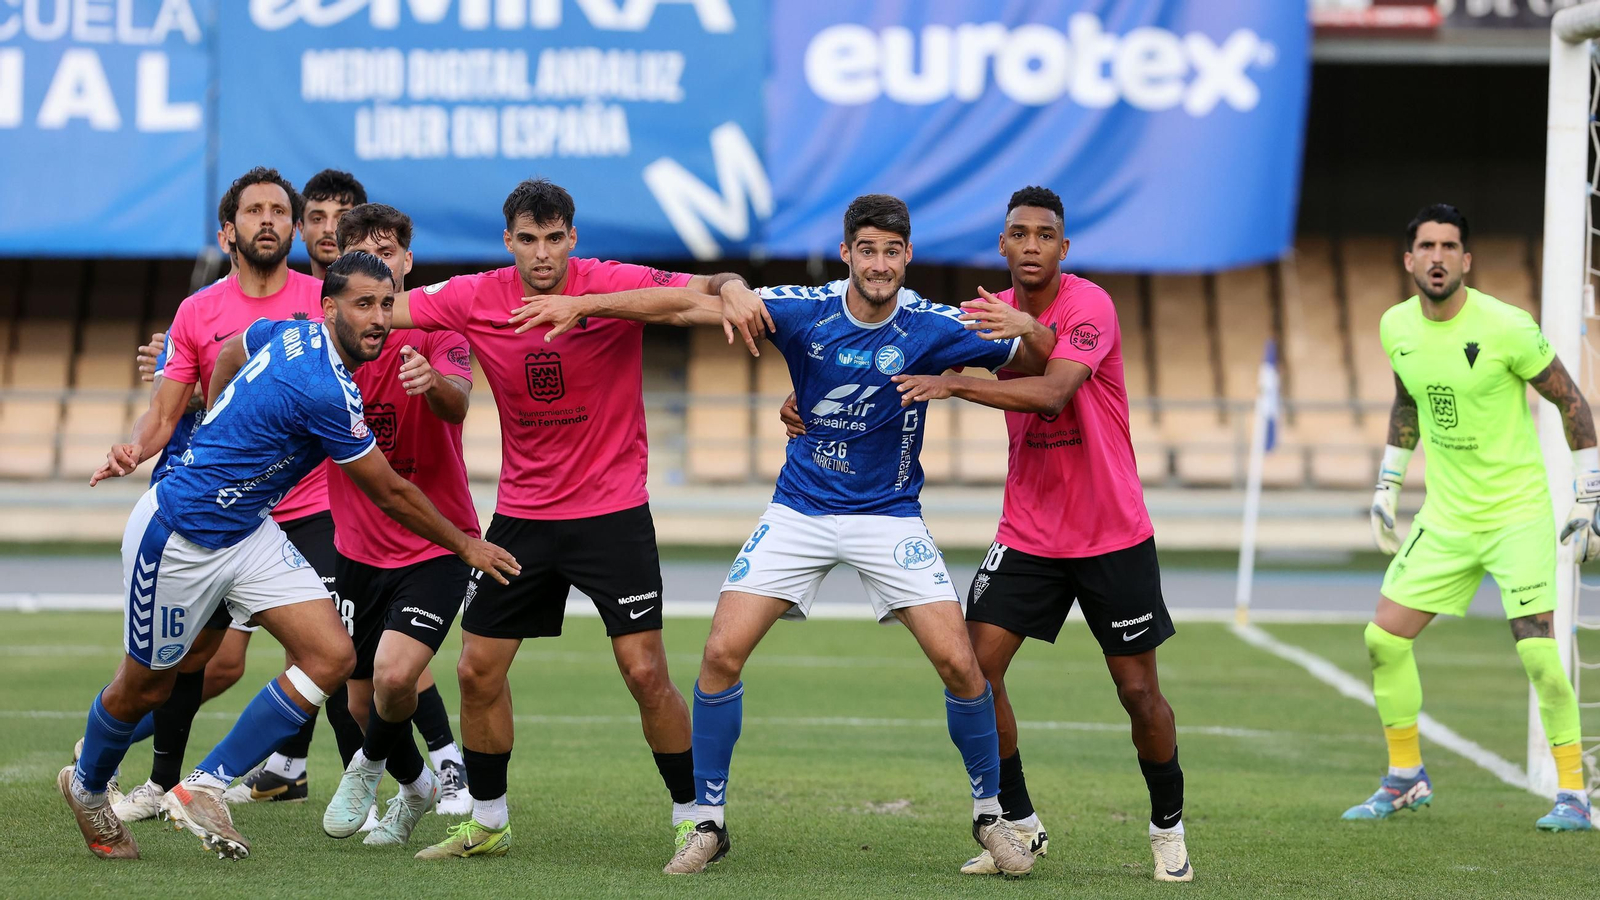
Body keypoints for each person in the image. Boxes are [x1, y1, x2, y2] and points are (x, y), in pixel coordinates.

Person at [513, 194, 1057, 877]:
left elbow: (1039, 355)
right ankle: (706, 824)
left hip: (888, 516)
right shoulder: (805, 309)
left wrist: (1026, 327)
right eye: (867, 250)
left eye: (892, 251)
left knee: (961, 665)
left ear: (908, 256)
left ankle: (990, 816)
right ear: (847, 255)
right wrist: (584, 305)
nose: (880, 264)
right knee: (719, 653)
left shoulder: (935, 324)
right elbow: (688, 306)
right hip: (798, 511)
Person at [61, 252, 519, 860]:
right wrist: (467, 544)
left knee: (332, 655)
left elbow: (231, 350)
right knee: (145, 688)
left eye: (386, 304)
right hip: (178, 537)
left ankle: (205, 784)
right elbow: (388, 490)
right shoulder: (325, 387)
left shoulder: (291, 332)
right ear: (329, 308)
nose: (380, 318)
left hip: (247, 529)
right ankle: (88, 785)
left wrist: (221, 412)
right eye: (363, 305)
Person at [375, 178, 765, 861]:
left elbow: (704, 289)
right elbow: (377, 310)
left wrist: (592, 304)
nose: (542, 253)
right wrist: (258, 335)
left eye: (554, 239)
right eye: (528, 240)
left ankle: (698, 819)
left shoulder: (607, 281)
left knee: (644, 672)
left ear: (572, 239)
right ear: (509, 242)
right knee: (475, 671)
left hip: (612, 513)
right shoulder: (475, 295)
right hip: (523, 517)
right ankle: (489, 822)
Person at [853, 186, 1190, 882]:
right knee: (975, 674)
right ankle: (1021, 823)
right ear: (1002, 246)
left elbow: (1051, 390)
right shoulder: (986, 319)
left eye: (1044, 235)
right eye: (1018, 234)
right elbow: (890, 348)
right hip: (1029, 533)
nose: (1031, 244)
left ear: (1063, 249)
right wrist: (809, 392)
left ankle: (1167, 827)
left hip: (1111, 533)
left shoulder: (1090, 305)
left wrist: (959, 384)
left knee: (1137, 693)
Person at [109, 167, 362, 819]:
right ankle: (164, 781)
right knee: (197, 665)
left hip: (307, 510)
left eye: (282, 209)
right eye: (256, 210)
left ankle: (360, 786)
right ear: (230, 232)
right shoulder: (198, 312)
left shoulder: (322, 299)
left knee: (335, 653)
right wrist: (135, 447)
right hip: (223, 515)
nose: (271, 219)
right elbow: (167, 413)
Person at [1347, 203, 1596, 831]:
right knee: (1384, 639)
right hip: (1448, 518)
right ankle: (1405, 778)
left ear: (1466, 259)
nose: (1437, 256)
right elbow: (1408, 398)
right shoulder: (1395, 326)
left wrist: (1590, 490)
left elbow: (1571, 402)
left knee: (1539, 654)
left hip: (1516, 514)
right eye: (1425, 246)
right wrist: (1389, 481)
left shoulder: (1508, 327)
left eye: (1449, 246)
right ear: (1409, 260)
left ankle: (1574, 792)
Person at [319, 203, 481, 844]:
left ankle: (364, 768)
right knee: (361, 702)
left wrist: (432, 381)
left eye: (387, 253)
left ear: (407, 262)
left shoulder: (439, 331)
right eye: (360, 252)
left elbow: (461, 399)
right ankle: (417, 791)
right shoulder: (324, 341)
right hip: (356, 547)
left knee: (394, 676)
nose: (377, 264)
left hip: (438, 541)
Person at [300, 169, 366, 279]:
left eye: (341, 219)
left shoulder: (380, 295)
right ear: (301, 228)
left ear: (361, 231)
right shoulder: (292, 296)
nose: (328, 229)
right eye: (317, 219)